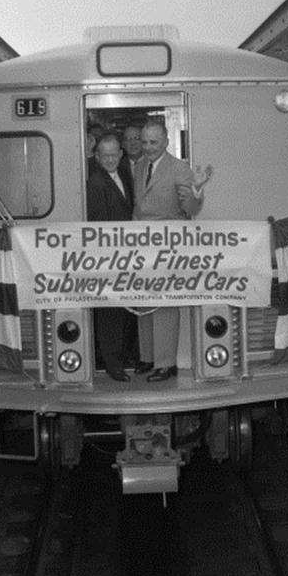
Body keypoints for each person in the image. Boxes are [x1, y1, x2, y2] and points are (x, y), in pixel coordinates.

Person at [133, 121, 212, 382]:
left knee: (164, 303)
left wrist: (197, 189)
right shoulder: (140, 165)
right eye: (144, 142)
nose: (148, 147)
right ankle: (148, 357)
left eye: (153, 142)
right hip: (140, 246)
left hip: (168, 248)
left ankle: (167, 364)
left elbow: (190, 208)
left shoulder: (179, 168)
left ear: (166, 141)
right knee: (143, 300)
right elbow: (139, 207)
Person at [86, 134, 137, 382]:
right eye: (103, 155)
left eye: (113, 154)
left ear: (121, 154)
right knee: (110, 313)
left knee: (124, 308)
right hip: (108, 258)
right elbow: (99, 225)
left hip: (128, 256)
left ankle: (124, 356)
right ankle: (112, 364)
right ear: (97, 157)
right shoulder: (96, 182)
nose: (109, 159)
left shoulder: (125, 174)